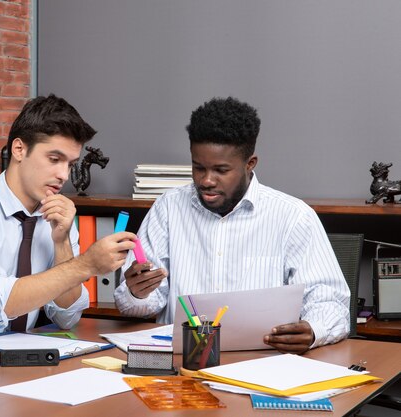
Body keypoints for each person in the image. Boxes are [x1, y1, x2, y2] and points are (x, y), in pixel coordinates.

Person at [114, 97, 350, 354]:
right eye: (198, 167)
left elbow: (330, 301)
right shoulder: (168, 208)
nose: (206, 180)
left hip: (262, 365)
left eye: (221, 170)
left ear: (250, 164)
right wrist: (137, 293)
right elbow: (136, 307)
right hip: (184, 366)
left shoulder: (293, 216)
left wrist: (313, 329)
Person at [0, 94, 136, 350]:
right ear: (19, 149)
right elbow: (0, 304)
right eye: (54, 160)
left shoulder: (57, 215)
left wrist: (62, 241)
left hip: (13, 359)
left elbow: (66, 318)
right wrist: (86, 264)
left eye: (71, 164)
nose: (63, 175)